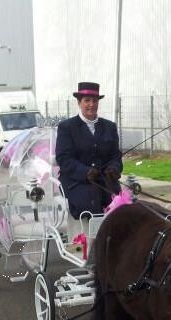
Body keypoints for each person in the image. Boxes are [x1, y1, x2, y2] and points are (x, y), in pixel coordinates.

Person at [55, 82, 122, 220]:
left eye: (95, 101)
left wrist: (114, 168)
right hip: (77, 182)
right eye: (87, 101)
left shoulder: (110, 127)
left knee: (122, 208)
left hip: (105, 181)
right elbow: (63, 158)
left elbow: (115, 156)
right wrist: (85, 172)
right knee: (90, 203)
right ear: (79, 102)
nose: (91, 104)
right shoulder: (67, 127)